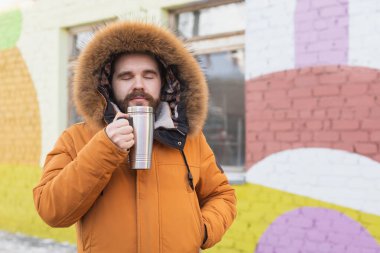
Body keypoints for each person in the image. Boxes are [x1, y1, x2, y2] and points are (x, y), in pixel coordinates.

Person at [33, 21, 236, 253]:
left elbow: (222, 195)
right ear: (108, 83)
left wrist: (202, 229)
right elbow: (51, 210)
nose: (138, 85)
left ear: (165, 82)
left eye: (148, 76)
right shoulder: (76, 138)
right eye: (126, 76)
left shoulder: (188, 139)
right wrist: (104, 147)